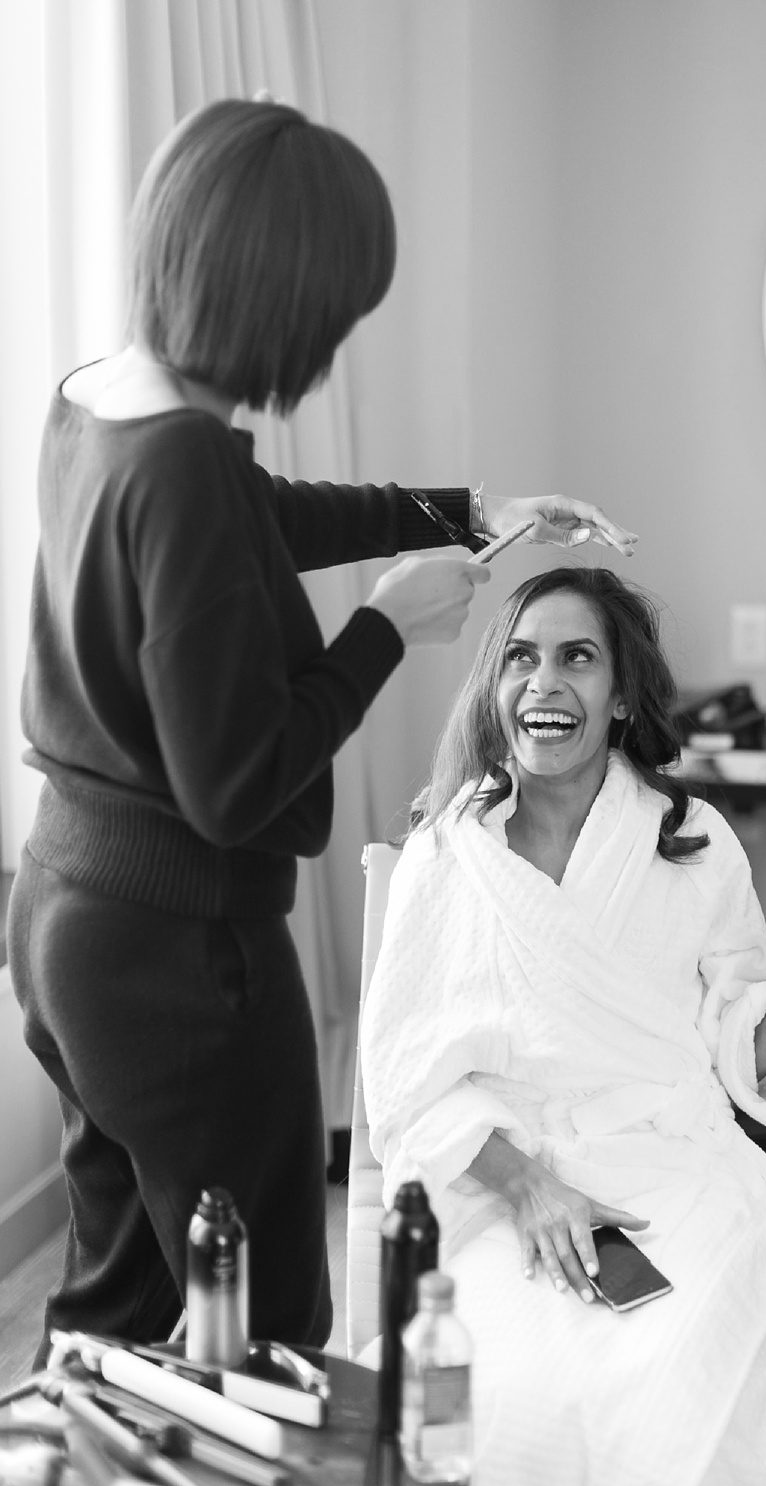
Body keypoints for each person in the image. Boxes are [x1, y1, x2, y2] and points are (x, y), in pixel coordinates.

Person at [6, 97, 636, 1360]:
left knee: (116, 1298)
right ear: (279, 300)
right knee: (274, 1313)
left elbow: (252, 514)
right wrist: (386, 631)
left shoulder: (100, 405)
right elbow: (238, 787)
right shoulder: (181, 466)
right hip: (179, 958)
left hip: (64, 917)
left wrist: (457, 512)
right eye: (337, 315)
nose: (333, 345)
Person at [362, 567, 766, 1486]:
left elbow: (747, 1059)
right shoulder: (449, 853)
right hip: (499, 1176)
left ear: (623, 694)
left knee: (671, 1377)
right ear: (495, 685)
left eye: (577, 658)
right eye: (520, 657)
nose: (544, 681)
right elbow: (403, 1078)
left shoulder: (695, 841)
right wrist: (528, 1187)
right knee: (495, 1384)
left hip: (676, 1176)